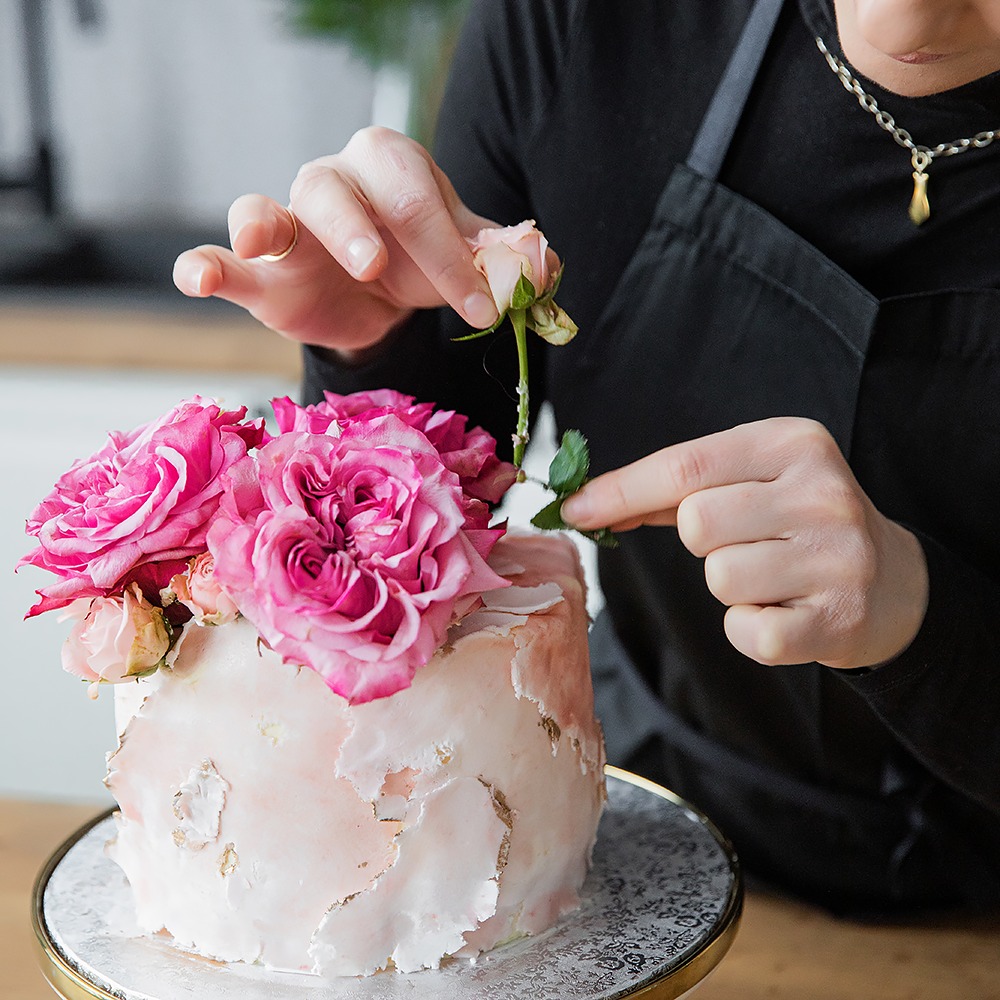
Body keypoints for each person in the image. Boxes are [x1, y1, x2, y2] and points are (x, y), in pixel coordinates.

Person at [173, 0, 1000, 913]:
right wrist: (377, 348)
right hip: (633, 847)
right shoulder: (572, 24)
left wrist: (923, 619)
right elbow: (454, 480)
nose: (902, 14)